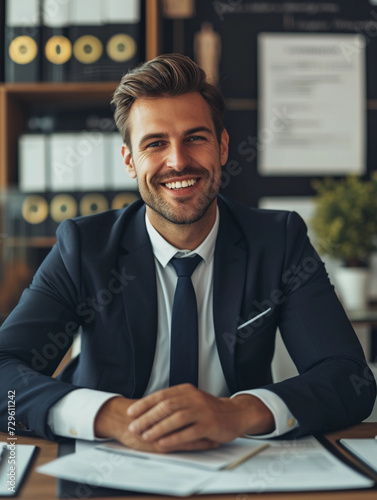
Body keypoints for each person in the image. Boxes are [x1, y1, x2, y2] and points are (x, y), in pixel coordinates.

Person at [0, 54, 375, 452]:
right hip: (110, 460)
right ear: (130, 161)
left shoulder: (279, 240)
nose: (178, 161)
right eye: (155, 143)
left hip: (238, 460)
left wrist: (238, 413)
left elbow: (348, 376)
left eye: (195, 138)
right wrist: (113, 416)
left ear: (223, 146)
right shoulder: (83, 247)